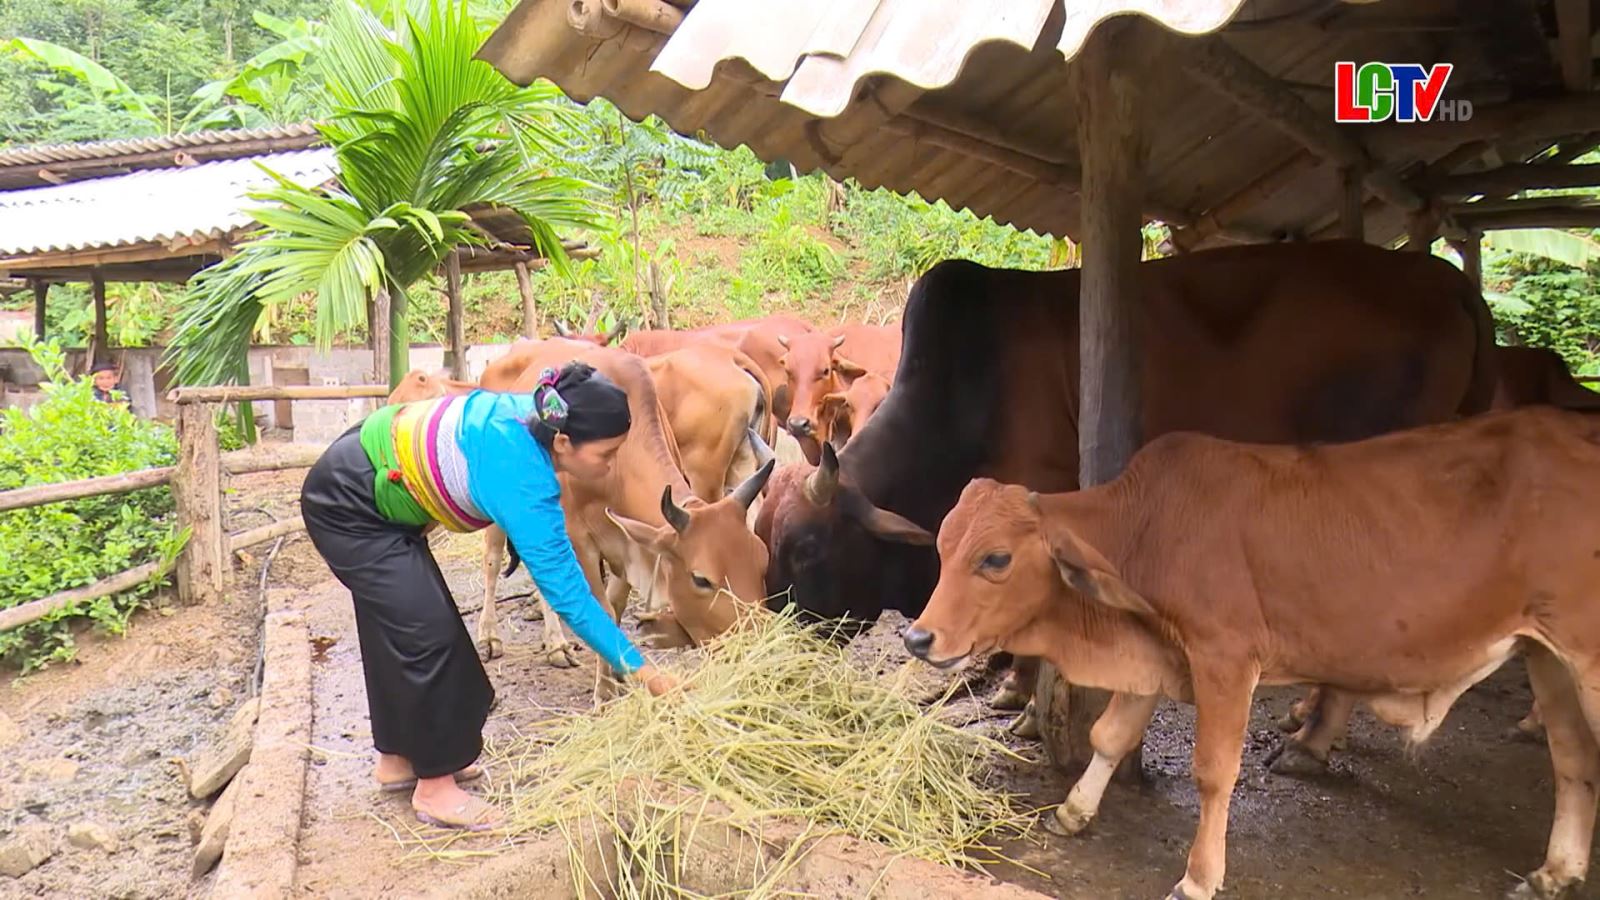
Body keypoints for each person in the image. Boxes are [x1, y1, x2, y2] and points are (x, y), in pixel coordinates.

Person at [299, 361, 678, 832]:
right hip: (347, 502)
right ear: (564, 443)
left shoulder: (539, 416)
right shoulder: (521, 473)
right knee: (427, 636)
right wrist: (643, 669)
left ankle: (398, 760)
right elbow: (570, 597)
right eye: (606, 453)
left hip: (370, 475)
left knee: (408, 622)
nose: (610, 465)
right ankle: (435, 790)